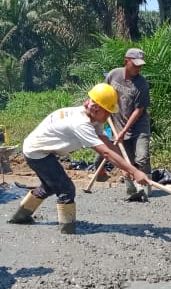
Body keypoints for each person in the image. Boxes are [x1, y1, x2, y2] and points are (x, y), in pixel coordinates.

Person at [8, 83, 149, 234]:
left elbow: (107, 144)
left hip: (44, 150)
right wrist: (134, 171)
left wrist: (127, 166)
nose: (109, 116)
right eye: (108, 112)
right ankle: (67, 230)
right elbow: (105, 153)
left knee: (50, 186)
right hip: (36, 153)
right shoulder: (80, 124)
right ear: (96, 108)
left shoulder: (94, 119)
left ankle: (20, 216)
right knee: (66, 189)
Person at [105, 47, 152, 202]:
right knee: (126, 161)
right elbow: (104, 93)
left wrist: (124, 131)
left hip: (139, 126)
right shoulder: (113, 75)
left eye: (140, 66)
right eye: (135, 65)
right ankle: (132, 190)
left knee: (142, 157)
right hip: (117, 123)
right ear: (126, 61)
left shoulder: (142, 84)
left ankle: (145, 188)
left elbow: (138, 110)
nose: (138, 68)